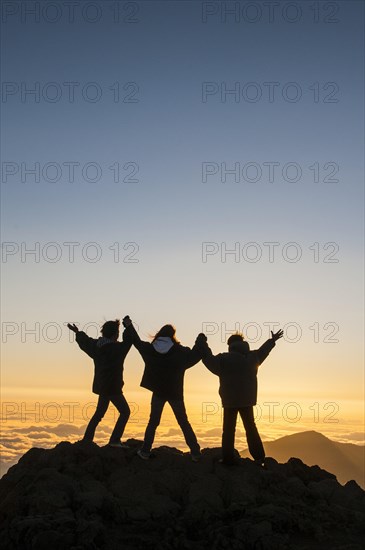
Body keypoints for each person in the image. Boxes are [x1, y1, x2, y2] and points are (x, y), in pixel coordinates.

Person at [123, 316, 206, 461]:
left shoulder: (150, 350)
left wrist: (129, 326)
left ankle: (145, 451)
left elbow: (136, 342)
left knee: (153, 422)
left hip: (158, 392)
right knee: (183, 422)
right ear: (172, 336)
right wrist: (200, 341)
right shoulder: (180, 352)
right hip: (175, 393)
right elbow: (195, 355)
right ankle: (195, 453)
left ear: (160, 334)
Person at [201, 329, 283, 465]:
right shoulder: (253, 357)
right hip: (247, 401)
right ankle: (260, 458)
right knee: (251, 428)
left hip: (229, 401)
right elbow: (264, 351)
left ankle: (228, 460)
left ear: (230, 345)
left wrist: (203, 345)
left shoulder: (223, 359)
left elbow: (209, 361)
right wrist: (272, 340)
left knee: (228, 430)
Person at [67, 318, 133, 447]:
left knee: (99, 413)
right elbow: (129, 341)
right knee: (125, 412)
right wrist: (128, 327)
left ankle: (87, 440)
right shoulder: (118, 349)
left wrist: (77, 332)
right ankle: (114, 440)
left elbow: (85, 341)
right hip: (113, 388)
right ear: (115, 334)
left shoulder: (96, 346)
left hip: (102, 386)